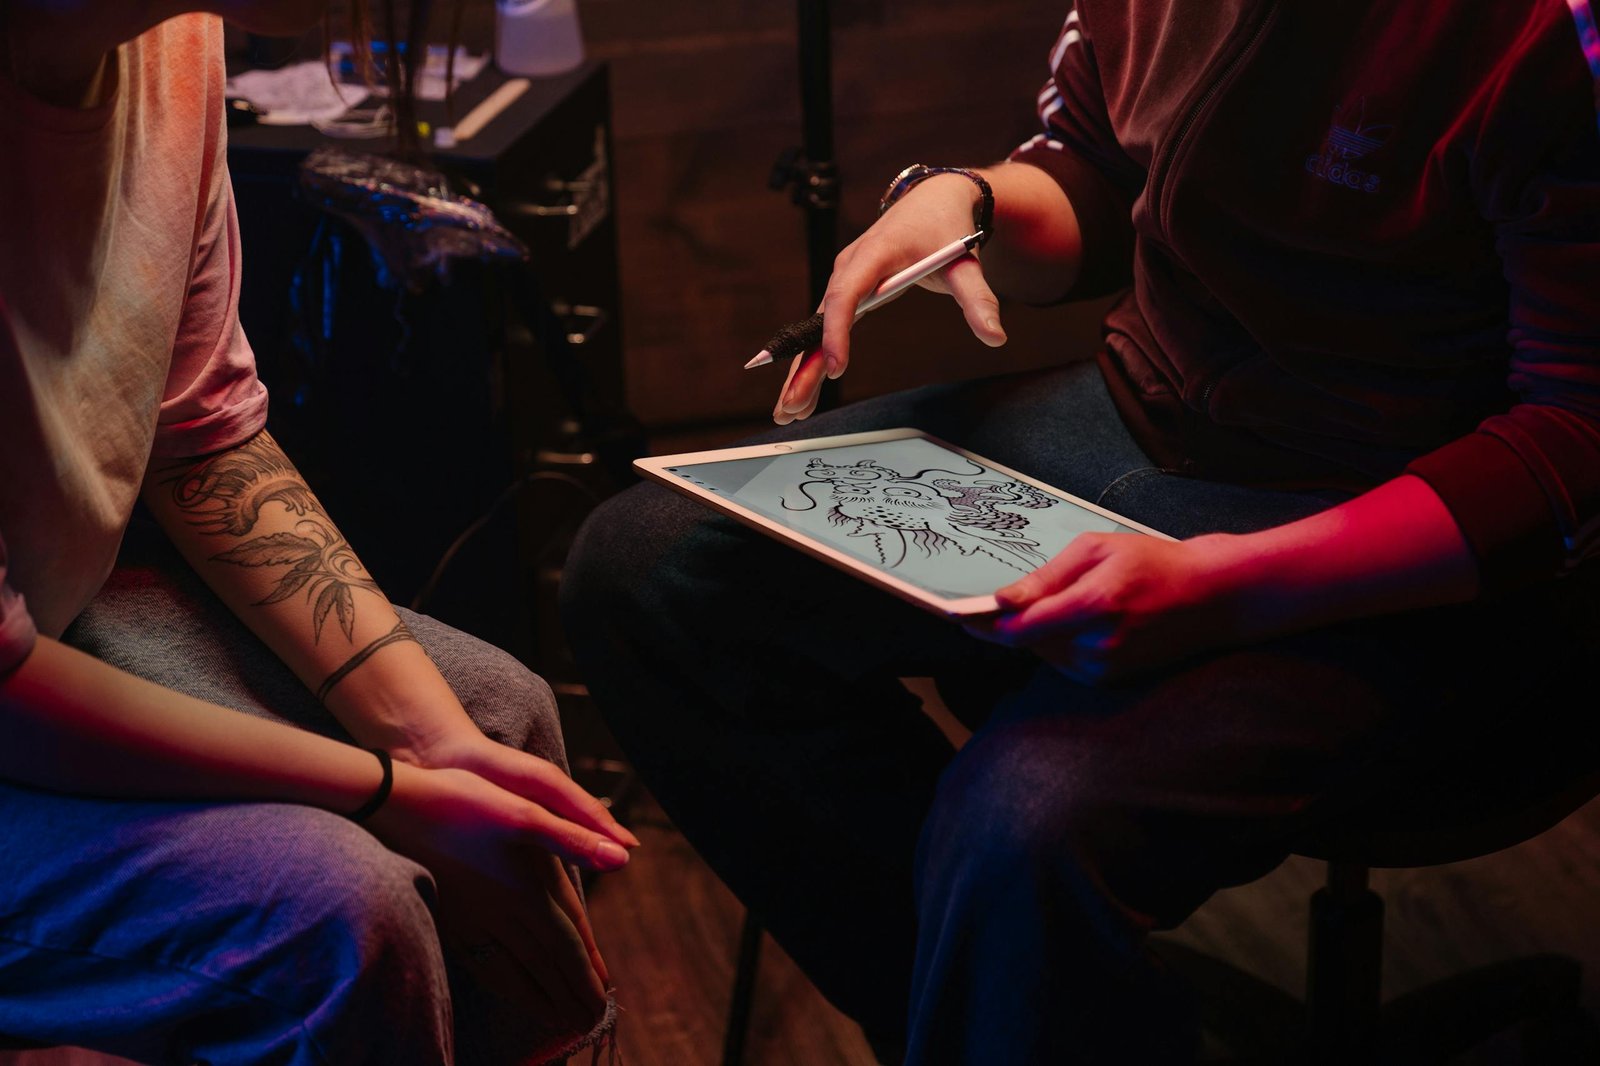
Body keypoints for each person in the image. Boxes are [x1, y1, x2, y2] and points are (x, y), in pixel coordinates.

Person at [561, 1, 1600, 1062]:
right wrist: (966, 203)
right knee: (648, 575)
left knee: (1024, 823)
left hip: (1411, 519)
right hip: (1151, 406)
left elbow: (1572, 440)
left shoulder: (1542, 35)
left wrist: (1226, 588)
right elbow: (1099, 171)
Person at [0, 2, 638, 1062]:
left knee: (497, 726)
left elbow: (198, 434)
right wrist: (386, 790)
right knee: (342, 912)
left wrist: (431, 748)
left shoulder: (172, 42)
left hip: (45, 622)